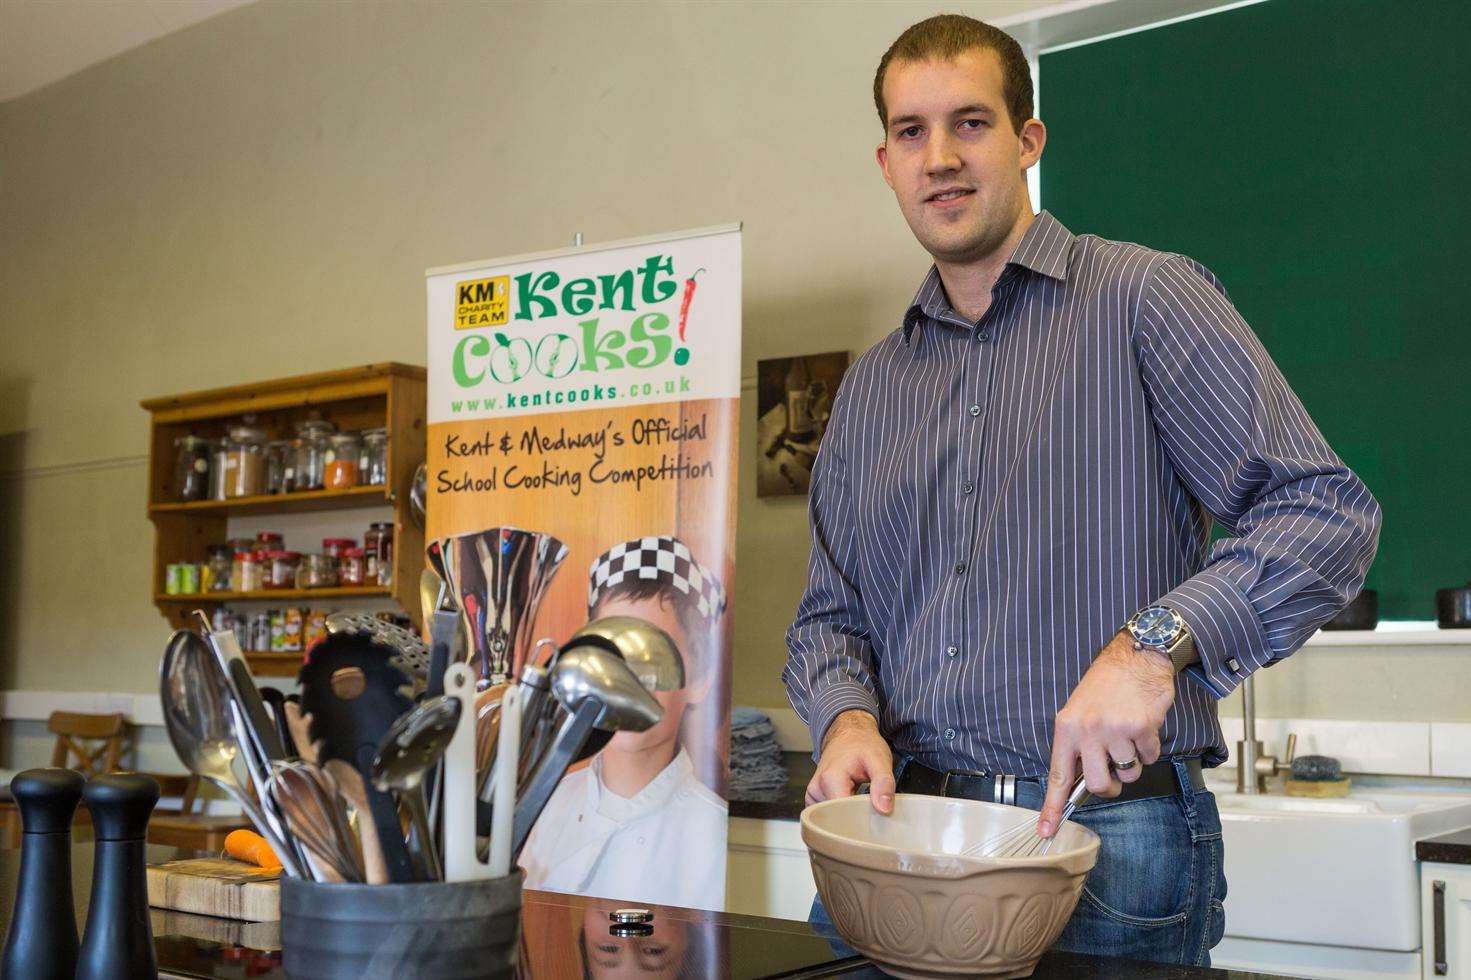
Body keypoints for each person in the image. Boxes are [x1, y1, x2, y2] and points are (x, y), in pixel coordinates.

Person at [783, 14, 1381, 966]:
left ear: (1027, 142)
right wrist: (846, 717)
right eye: (910, 132)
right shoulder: (871, 387)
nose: (938, 157)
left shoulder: (1145, 300)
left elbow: (1323, 509)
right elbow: (829, 616)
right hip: (898, 832)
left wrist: (1150, 652)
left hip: (1110, 837)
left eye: (970, 123)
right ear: (885, 160)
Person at [519, 535, 728, 911]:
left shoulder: (715, 837)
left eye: (652, 655)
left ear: (698, 680)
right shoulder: (538, 808)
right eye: (612, 651)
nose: (625, 678)